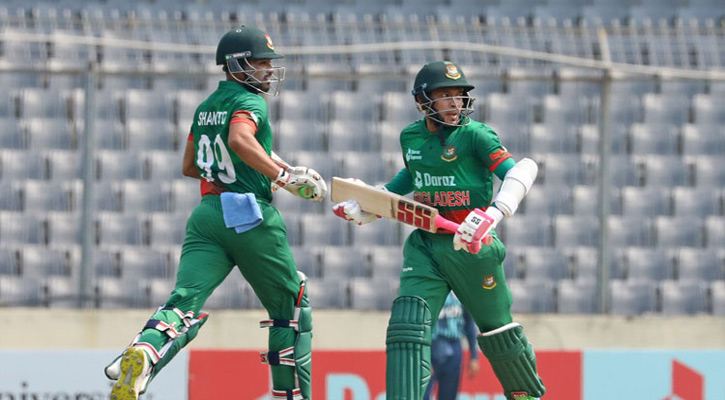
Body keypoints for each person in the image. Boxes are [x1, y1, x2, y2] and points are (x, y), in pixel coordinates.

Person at [104, 26, 326, 400]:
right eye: (261, 62)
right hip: (249, 216)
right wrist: (283, 177)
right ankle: (289, 396)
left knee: (183, 301)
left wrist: (259, 168)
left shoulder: (206, 107)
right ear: (237, 65)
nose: (269, 70)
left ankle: (144, 351)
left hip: (207, 216)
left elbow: (191, 165)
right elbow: (239, 139)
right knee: (290, 306)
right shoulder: (251, 101)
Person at [333, 60, 546, 400]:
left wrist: (493, 214)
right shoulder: (410, 136)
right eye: (445, 95)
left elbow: (519, 172)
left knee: (498, 332)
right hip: (426, 244)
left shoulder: (477, 135)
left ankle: (527, 396)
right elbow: (412, 176)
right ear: (422, 100)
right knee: (408, 326)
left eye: (459, 95)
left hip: (472, 246)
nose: (455, 103)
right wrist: (372, 201)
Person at [424, 292, 480, 400]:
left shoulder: (460, 289)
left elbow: (469, 323)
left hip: (454, 346)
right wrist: (423, 356)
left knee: (449, 395)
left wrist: (474, 356)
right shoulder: (428, 288)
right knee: (423, 394)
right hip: (431, 346)